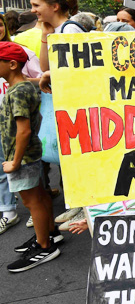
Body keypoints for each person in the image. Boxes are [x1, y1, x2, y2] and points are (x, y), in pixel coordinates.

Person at [1, 42, 63, 272]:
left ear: (12, 64)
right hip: (32, 152)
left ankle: (44, 246)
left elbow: (24, 129)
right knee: (40, 195)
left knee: (31, 201)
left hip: (22, 156)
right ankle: (48, 234)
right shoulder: (26, 87)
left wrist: (15, 161)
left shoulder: (18, 91)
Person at [30, 0, 84, 72]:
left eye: (36, 5)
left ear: (55, 7)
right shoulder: (51, 30)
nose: (32, 10)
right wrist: (45, 36)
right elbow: (44, 68)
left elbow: (77, 68)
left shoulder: (70, 30)